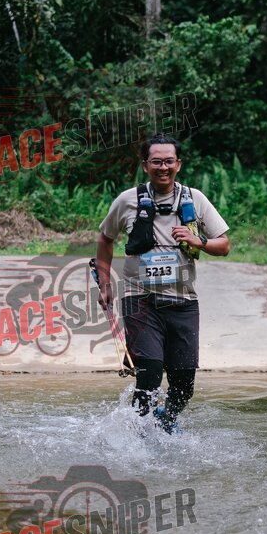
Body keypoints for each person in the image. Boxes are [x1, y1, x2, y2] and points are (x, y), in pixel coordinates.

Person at [96, 134, 230, 433]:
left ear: (178, 164)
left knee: (184, 386)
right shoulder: (127, 200)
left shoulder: (195, 199)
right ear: (146, 165)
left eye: (169, 161)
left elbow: (224, 245)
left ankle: (165, 419)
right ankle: (138, 438)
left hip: (184, 302)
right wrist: (104, 282)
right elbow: (105, 239)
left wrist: (198, 240)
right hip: (139, 299)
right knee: (150, 373)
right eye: (156, 161)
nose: (163, 167)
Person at [5, 275, 45, 343]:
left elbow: (36, 302)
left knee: (28, 311)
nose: (42, 285)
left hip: (12, 298)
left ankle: (19, 331)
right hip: (11, 299)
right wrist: (46, 308)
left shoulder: (32, 285)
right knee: (29, 312)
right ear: (39, 283)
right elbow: (36, 302)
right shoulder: (33, 287)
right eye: (42, 283)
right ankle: (22, 334)